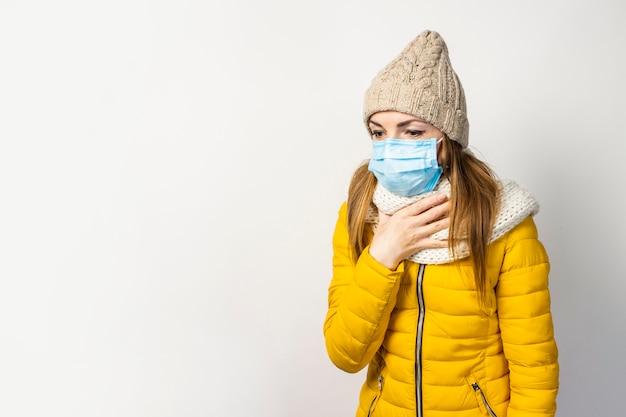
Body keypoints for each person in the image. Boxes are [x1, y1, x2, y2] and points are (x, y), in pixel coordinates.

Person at [323, 30, 559, 417]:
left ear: (447, 137)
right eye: (379, 132)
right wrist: (383, 254)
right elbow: (346, 354)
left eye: (412, 131)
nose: (392, 145)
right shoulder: (361, 211)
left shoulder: (501, 217)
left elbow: (534, 368)